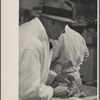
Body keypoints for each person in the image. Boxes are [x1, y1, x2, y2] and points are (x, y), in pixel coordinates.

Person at [19, 0, 76, 100]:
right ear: (53, 22)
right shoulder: (32, 43)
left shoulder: (39, 33)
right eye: (63, 26)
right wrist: (54, 92)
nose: (64, 31)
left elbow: (32, 68)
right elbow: (28, 91)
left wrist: (55, 77)